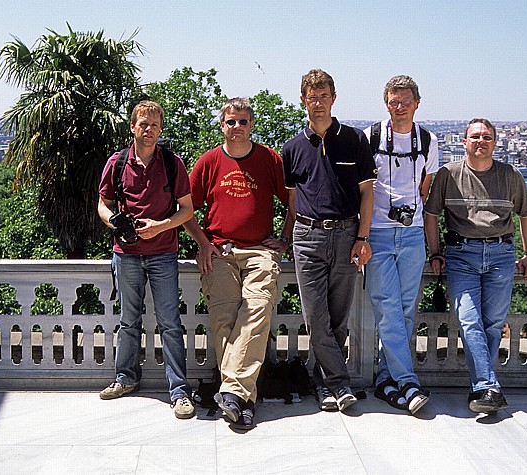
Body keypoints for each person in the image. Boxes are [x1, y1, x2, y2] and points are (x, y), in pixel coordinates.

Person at [183, 97, 292, 430]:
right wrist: (202, 243)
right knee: (224, 321)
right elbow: (185, 209)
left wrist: (284, 239)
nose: (237, 127)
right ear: (222, 125)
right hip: (219, 251)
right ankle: (243, 402)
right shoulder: (209, 161)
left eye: (243, 121)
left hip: (260, 251)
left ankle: (230, 392)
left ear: (252, 125)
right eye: (231, 121)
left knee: (256, 313)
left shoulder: (269, 159)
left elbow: (294, 202)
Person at [424, 118, 527, 413]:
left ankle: (483, 388)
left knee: (492, 324)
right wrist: (435, 253)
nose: (481, 141)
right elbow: (431, 215)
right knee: (469, 319)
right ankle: (488, 387)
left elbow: (526, 215)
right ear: (464, 142)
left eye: (487, 137)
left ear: (495, 143)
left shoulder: (510, 175)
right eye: (475, 137)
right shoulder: (449, 174)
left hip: (501, 254)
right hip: (461, 253)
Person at [282, 69, 376, 413]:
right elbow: (292, 201)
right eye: (312, 96)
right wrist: (285, 236)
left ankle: (324, 386)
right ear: (302, 100)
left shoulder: (354, 140)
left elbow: (367, 193)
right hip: (307, 237)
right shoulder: (292, 148)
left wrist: (362, 237)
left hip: (347, 235)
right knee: (316, 319)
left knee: (338, 318)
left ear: (334, 99)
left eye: (323, 96)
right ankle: (340, 382)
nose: (318, 103)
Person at [97, 100, 196, 420]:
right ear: (132, 126)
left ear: (161, 128)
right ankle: (125, 378)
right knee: (128, 321)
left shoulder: (172, 163)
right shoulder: (117, 162)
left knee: (170, 323)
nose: (148, 129)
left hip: (163, 253)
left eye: (154, 124)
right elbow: (103, 204)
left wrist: (160, 227)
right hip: (125, 255)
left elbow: (186, 210)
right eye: (143, 123)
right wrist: (115, 222)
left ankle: (179, 391)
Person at [363, 75, 438, 415]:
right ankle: (408, 381)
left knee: (406, 309)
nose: (400, 107)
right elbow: (362, 189)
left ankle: (385, 380)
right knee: (386, 306)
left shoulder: (428, 140)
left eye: (405, 101)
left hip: (411, 233)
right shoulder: (371, 137)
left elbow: (426, 187)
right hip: (378, 231)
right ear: (386, 103)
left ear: (417, 103)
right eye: (394, 102)